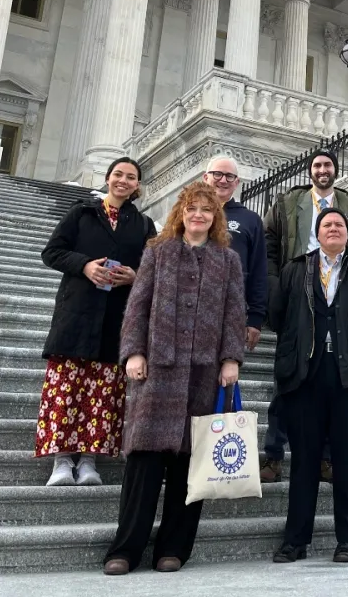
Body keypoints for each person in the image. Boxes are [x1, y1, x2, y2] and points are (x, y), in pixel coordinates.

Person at [102, 181, 245, 575]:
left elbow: (235, 312)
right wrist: (133, 351)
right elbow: (138, 306)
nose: (198, 215)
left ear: (215, 217)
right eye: (192, 209)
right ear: (181, 213)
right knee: (144, 464)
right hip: (158, 370)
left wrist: (231, 359)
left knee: (189, 466)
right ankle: (125, 549)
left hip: (204, 373)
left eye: (206, 210)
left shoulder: (227, 260)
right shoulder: (157, 253)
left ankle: (174, 549)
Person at [269, 207, 348, 564]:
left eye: (339, 224)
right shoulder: (296, 269)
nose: (334, 228)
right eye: (327, 225)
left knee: (347, 461)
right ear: (318, 234)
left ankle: (346, 540)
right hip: (305, 378)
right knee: (304, 461)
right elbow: (278, 315)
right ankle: (296, 540)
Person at [35, 157, 155, 486]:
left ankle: (89, 459)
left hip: (116, 318)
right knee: (66, 388)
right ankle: (61, 459)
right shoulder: (82, 213)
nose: (123, 181)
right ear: (107, 178)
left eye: (131, 177)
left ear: (137, 185)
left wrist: (136, 275)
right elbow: (52, 252)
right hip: (76, 315)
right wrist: (85, 266)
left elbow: (154, 267)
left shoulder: (144, 224)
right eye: (118, 174)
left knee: (104, 392)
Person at [261, 147, 348, 484]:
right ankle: (274, 456)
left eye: (327, 165)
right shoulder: (286, 203)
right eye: (317, 165)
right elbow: (269, 241)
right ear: (310, 171)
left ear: (335, 171)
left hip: (337, 297)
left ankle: (325, 459)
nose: (322, 170)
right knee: (287, 379)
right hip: (298, 292)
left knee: (332, 379)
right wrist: (274, 283)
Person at [203, 156, 267, 350]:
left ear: (237, 182)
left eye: (229, 176)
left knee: (226, 374)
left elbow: (259, 269)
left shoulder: (250, 219)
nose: (223, 180)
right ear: (206, 177)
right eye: (217, 174)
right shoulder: (188, 213)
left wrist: (255, 317)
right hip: (189, 306)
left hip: (231, 311)